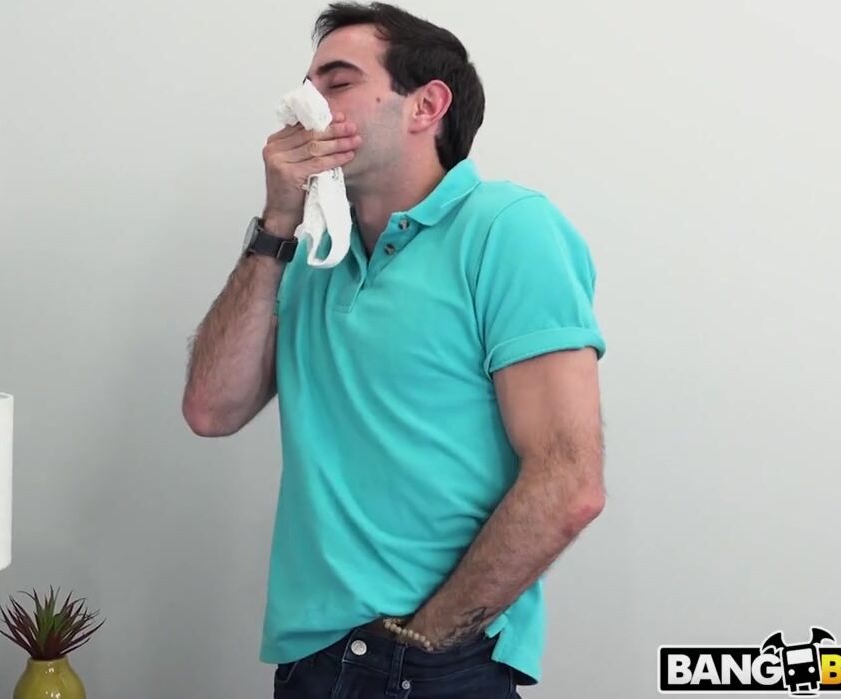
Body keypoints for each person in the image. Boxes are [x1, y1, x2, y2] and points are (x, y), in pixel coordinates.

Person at [182, 3, 607, 697]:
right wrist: (278, 222)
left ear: (426, 106)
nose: (305, 108)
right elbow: (210, 410)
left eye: (337, 82)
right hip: (312, 659)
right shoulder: (310, 252)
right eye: (305, 89)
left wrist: (425, 641)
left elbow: (569, 482)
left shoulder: (508, 228)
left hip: (443, 665)